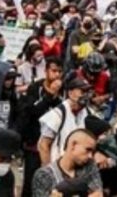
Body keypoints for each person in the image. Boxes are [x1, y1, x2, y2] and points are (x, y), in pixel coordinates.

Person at [20, 58, 64, 197]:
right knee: (31, 182)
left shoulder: (63, 90)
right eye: (53, 71)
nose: (57, 75)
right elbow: (33, 112)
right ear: (46, 71)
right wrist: (50, 94)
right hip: (34, 143)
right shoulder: (35, 88)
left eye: (59, 72)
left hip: (53, 144)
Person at [32, 128, 103, 197]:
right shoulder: (44, 175)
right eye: (88, 150)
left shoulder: (89, 166)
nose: (90, 156)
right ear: (73, 145)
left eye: (92, 152)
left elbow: (97, 194)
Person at [38, 76, 93, 165]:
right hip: (59, 166)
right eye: (82, 92)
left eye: (87, 92)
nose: (86, 96)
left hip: (79, 167)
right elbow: (43, 145)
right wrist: (48, 171)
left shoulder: (88, 112)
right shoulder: (57, 114)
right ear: (70, 93)